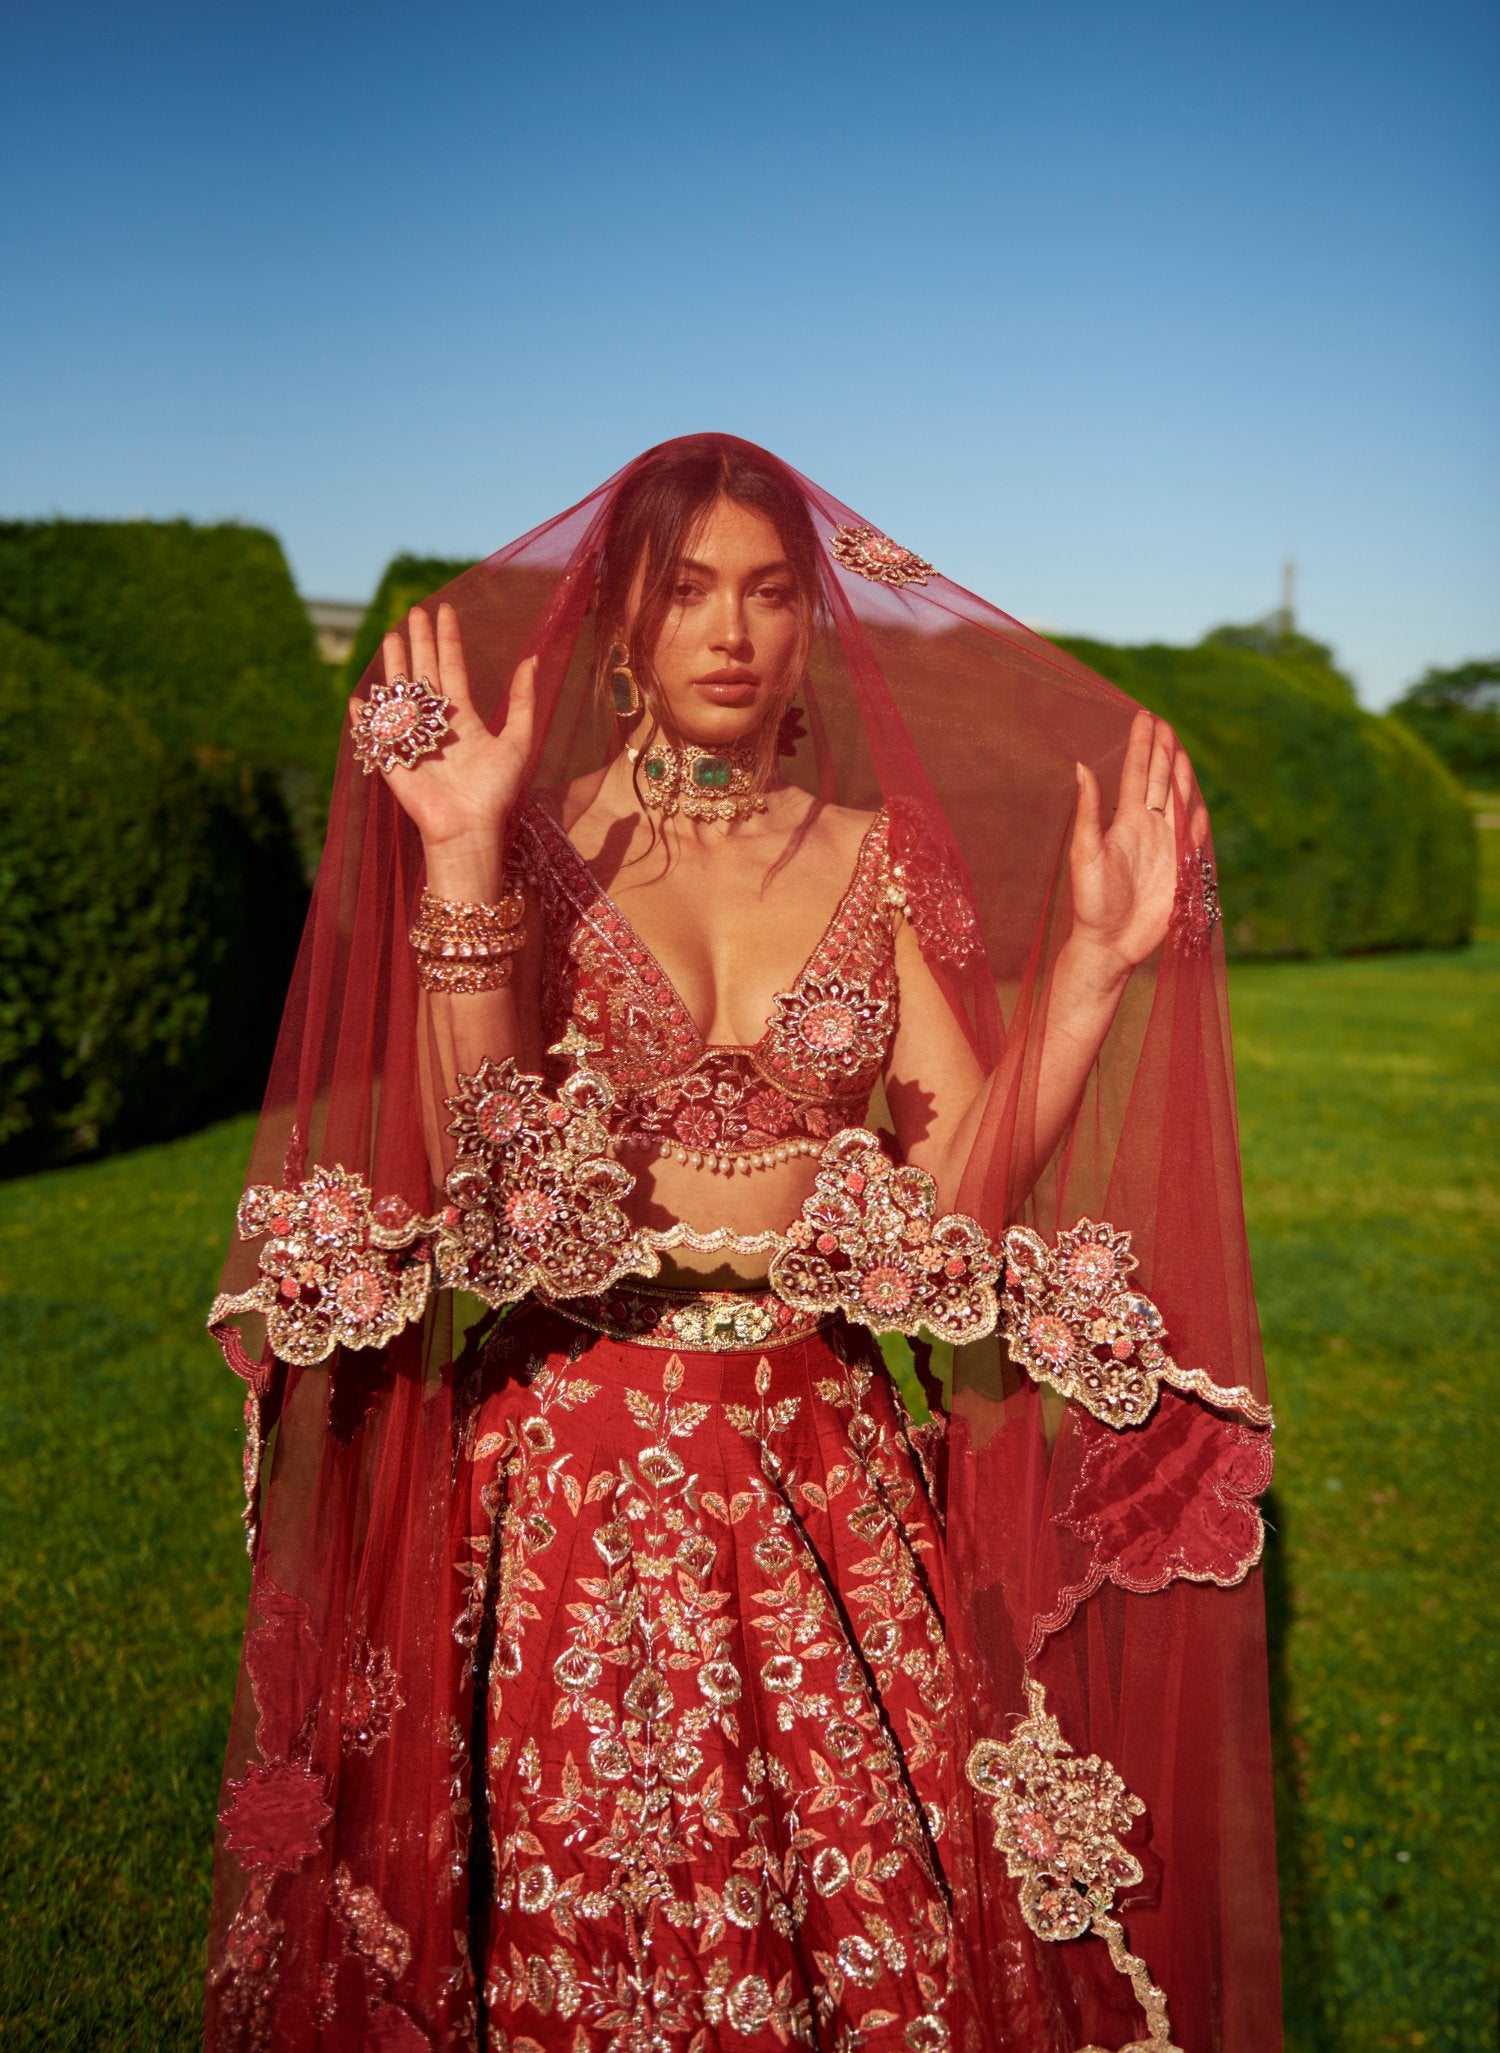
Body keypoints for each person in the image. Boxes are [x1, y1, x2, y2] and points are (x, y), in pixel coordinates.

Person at [205, 435, 1280, 2053]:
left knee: (874, 1916)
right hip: (570, 1470)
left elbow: (950, 1217)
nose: (731, 629)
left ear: (812, 621)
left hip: (815, 1459)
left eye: (771, 591)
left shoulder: (872, 857)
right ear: (621, 626)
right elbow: (493, 1187)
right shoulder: (536, 837)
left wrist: (1090, 977)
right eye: (685, 588)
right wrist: (461, 853)